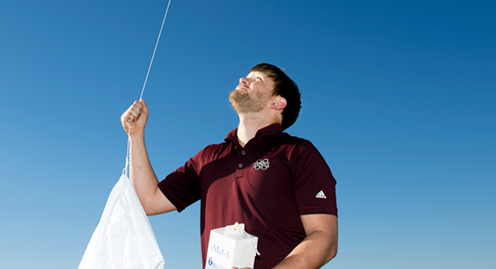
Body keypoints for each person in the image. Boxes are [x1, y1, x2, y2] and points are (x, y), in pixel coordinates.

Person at [121, 63, 338, 269]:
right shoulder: (209, 157)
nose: (243, 79)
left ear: (277, 103)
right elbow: (146, 201)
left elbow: (324, 238)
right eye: (246, 75)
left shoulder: (298, 152)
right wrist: (135, 135)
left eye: (257, 79)